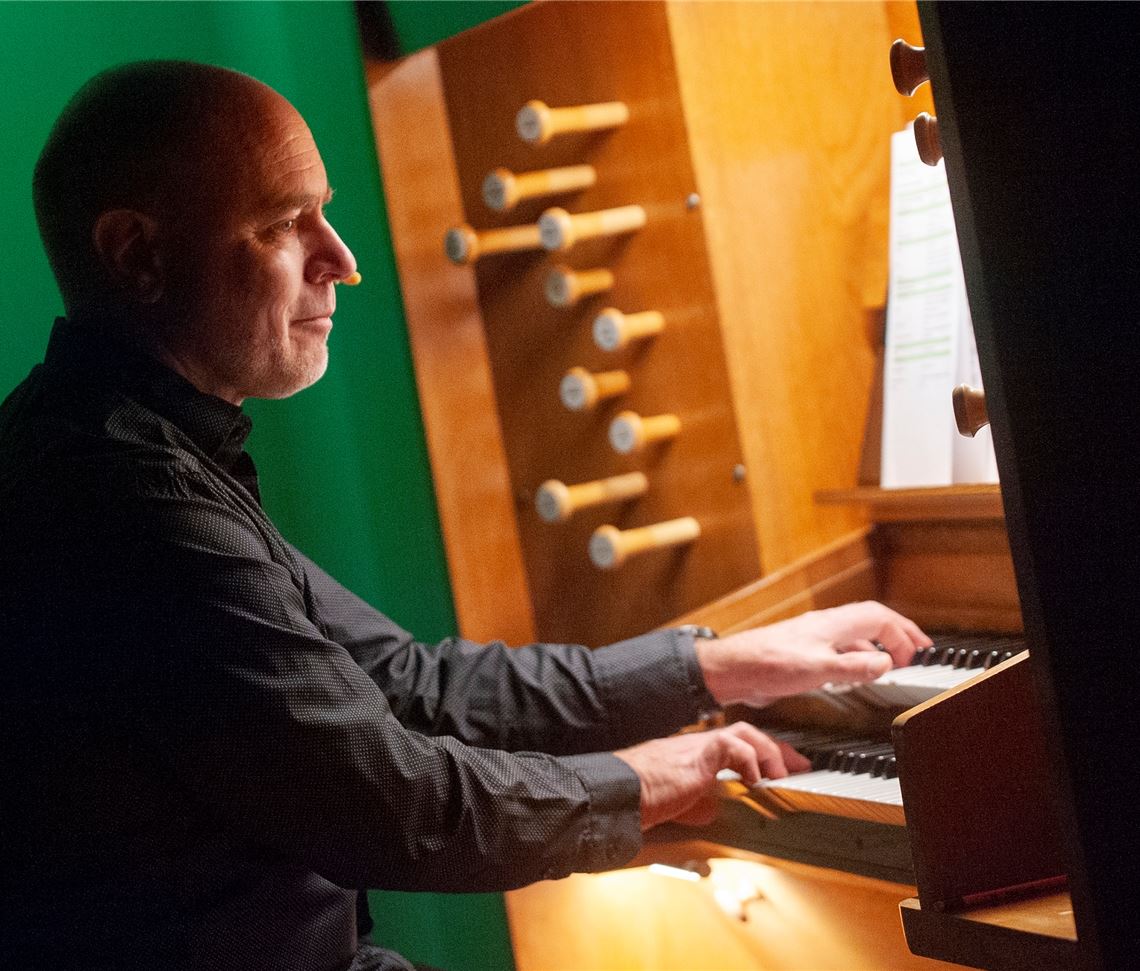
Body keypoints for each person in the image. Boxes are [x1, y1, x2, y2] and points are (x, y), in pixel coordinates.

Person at [0, 61, 931, 971]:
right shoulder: (117, 494)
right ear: (138, 254)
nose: (342, 262)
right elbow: (395, 805)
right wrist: (645, 777)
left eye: (326, 213)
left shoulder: (126, 444)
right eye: (285, 224)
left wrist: (714, 666)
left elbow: (409, 683)